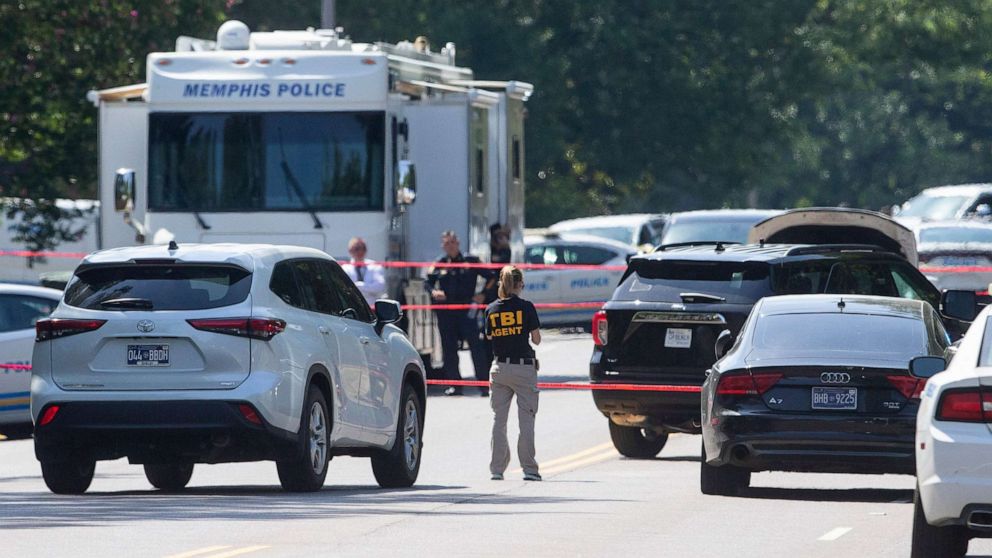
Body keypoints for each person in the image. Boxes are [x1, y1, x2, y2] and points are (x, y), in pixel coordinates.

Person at [485, 265, 542, 481]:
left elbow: (490, 337)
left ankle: (497, 469)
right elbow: (536, 339)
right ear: (519, 285)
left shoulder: (491, 309)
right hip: (523, 368)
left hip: (499, 368)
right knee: (526, 419)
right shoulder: (526, 307)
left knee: (498, 420)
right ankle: (529, 469)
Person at [425, 230, 492, 396]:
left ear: (458, 243)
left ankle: (484, 385)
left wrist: (482, 294)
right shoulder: (440, 263)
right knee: (449, 349)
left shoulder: (471, 261)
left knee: (476, 347)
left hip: (466, 310)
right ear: (443, 245)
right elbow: (427, 283)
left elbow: (492, 276)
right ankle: (455, 385)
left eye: (453, 242)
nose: (451, 246)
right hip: (447, 311)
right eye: (447, 243)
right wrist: (434, 292)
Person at [480, 223, 512, 369]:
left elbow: (502, 265)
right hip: (489, 298)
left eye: (501, 235)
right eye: (497, 236)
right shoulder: (487, 251)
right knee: (489, 334)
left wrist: (504, 245)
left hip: (501, 295)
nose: (500, 238)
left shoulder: (505, 250)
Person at [341, 237, 386, 307]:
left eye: (363, 248)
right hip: (352, 307)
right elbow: (345, 289)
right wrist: (370, 288)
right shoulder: (345, 268)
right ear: (350, 250)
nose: (360, 251)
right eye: (357, 248)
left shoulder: (375, 266)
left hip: (371, 308)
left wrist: (361, 286)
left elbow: (380, 287)